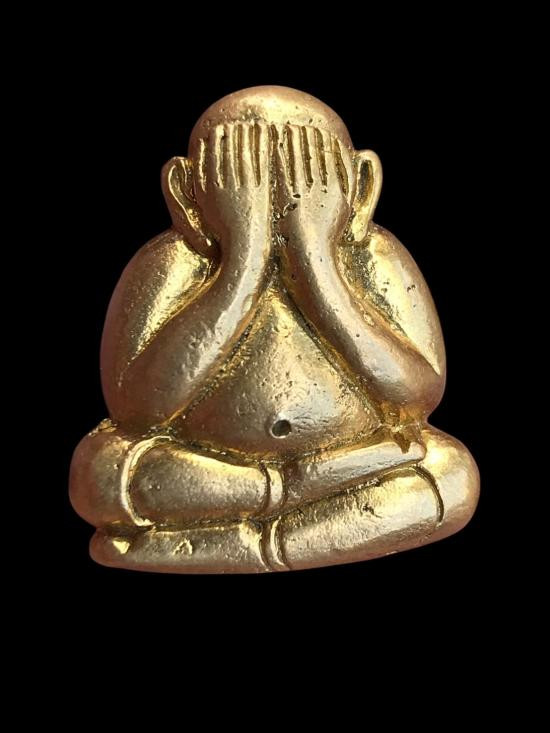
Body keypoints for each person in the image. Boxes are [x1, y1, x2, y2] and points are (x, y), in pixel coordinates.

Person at [70, 86, 479, 573]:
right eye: (242, 173)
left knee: (452, 472)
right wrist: (243, 262)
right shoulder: (169, 261)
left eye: (310, 170)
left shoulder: (375, 255)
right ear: (185, 189)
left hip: (350, 458)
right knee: (101, 470)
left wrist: (315, 261)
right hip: (227, 476)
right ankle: (288, 510)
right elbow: (140, 410)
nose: (274, 196)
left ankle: (254, 546)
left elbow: (416, 396)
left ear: (361, 184)